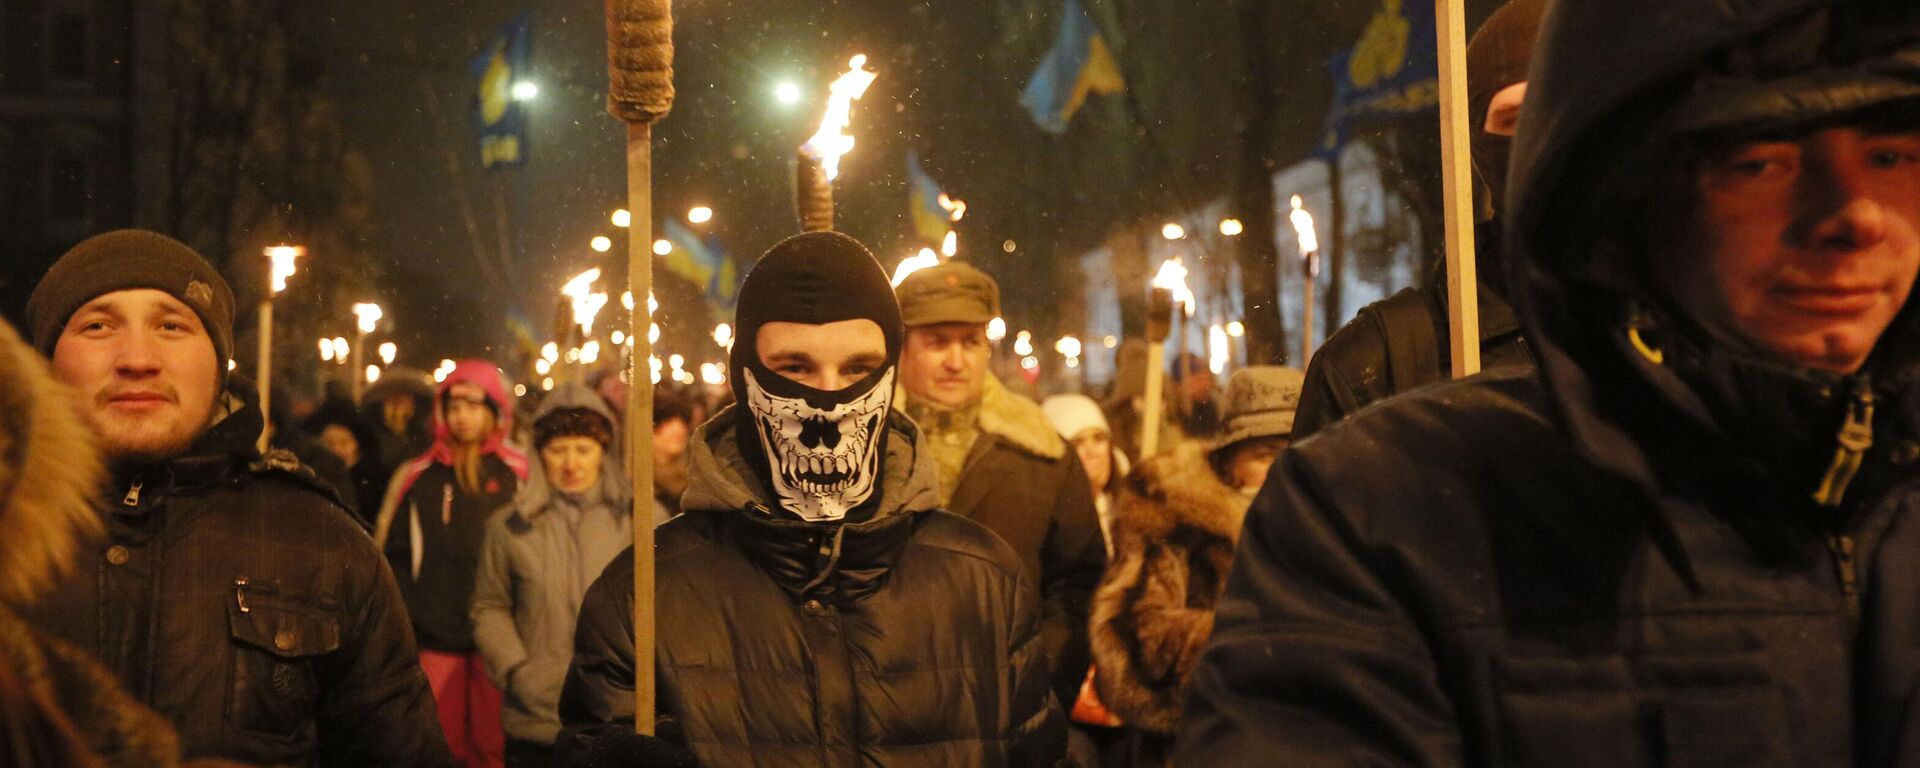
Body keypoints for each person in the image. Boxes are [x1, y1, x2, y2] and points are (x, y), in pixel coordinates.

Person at [1176, 1, 1920, 765]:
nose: (1853, 216)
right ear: (1625, 189)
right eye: (1763, 163)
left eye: (1892, 156)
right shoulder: (1383, 509)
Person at [554, 231, 1066, 766]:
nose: (826, 403)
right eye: (794, 369)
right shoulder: (643, 593)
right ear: (743, 376)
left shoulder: (984, 580)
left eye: (857, 370)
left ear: (890, 375)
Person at [22, 229, 451, 766]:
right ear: (46, 363)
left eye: (172, 325)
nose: (136, 358)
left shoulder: (322, 544)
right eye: (97, 326)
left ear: (219, 365)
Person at [1290, 0, 1545, 440]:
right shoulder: (1373, 372)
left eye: (1565, 108)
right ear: (1475, 149)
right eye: (1516, 118)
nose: (1545, 138)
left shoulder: (1684, 334)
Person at [892, 260, 1108, 708]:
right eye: (937, 343)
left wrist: (1042, 684)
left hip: (1008, 708)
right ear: (904, 349)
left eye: (970, 342)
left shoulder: (1039, 451)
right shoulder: (862, 448)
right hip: (890, 707)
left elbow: (1077, 585)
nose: (956, 361)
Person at [1088, 366, 1301, 766]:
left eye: (1295, 455)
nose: (1282, 472)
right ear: (1228, 460)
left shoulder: (1326, 525)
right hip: (1200, 743)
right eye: (1265, 455)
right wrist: (1260, 641)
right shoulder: (1174, 516)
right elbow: (1135, 637)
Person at [373, 359, 527, 768]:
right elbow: (394, 552)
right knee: (439, 746)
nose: (462, 416)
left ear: (494, 411)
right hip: (434, 635)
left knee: (492, 748)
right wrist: (409, 616)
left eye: (474, 405)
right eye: (454, 406)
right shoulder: (418, 475)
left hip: (500, 638)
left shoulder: (520, 474)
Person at [471, 383, 631, 767]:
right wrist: (518, 669)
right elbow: (489, 606)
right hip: (537, 722)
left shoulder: (639, 523)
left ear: (603, 452)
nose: (570, 463)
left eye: (583, 449)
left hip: (618, 718)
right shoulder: (510, 527)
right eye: (558, 450)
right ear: (539, 455)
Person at [1041, 393, 1131, 548]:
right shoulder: (1047, 527)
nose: (1092, 451)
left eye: (1099, 438)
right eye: (1077, 442)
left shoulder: (1127, 513)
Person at [303, 397, 389, 524]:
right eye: (329, 443)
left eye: (344, 443)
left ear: (358, 446)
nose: (336, 450)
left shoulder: (375, 482)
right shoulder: (310, 476)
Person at [651, 387, 694, 522]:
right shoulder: (639, 482)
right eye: (668, 421)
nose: (679, 429)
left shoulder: (693, 477)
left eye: (682, 421)